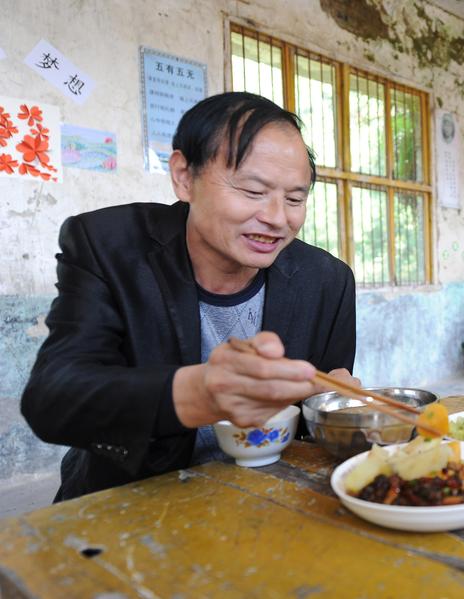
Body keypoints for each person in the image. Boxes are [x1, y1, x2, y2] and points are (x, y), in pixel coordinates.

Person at [21, 92, 358, 501]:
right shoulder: (109, 247)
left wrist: (334, 407)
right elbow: (55, 398)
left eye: (294, 198)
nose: (277, 218)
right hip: (132, 502)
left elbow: (313, 426)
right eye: (253, 191)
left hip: (270, 502)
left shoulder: (327, 280)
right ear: (184, 176)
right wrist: (201, 393)